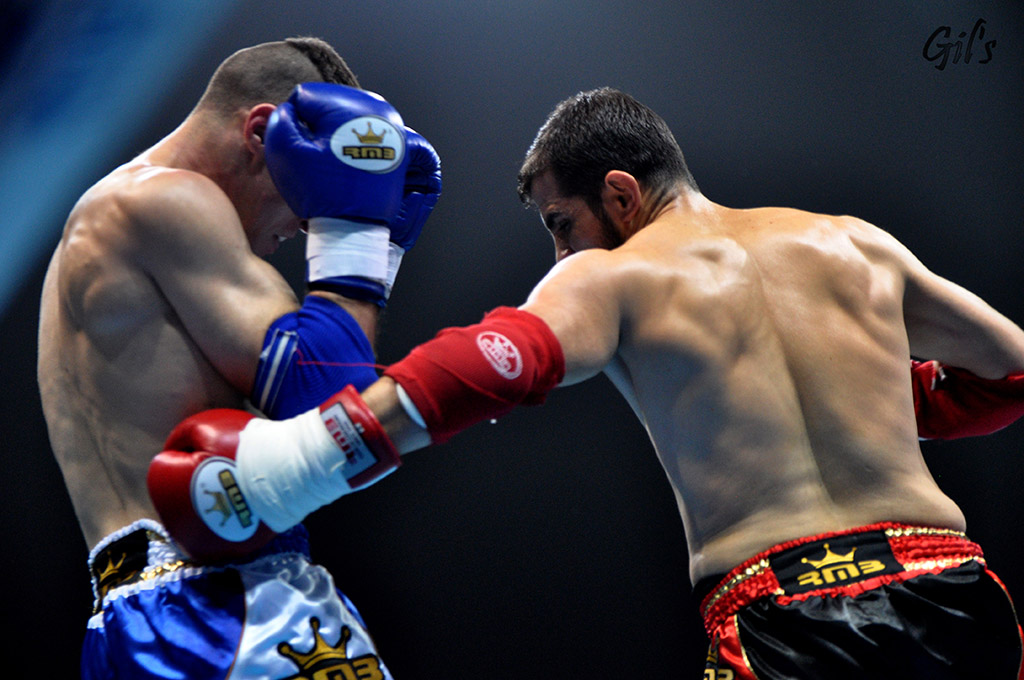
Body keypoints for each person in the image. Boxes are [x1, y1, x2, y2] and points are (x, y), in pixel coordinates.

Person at [151, 88, 1024, 678]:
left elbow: (487, 368)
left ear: (621, 193)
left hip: (787, 617)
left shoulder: (617, 277)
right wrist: (882, 398)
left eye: (560, 225)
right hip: (950, 582)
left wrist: (286, 466)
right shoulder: (854, 243)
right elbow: (1011, 367)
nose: (558, 255)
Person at [37, 36, 440, 678]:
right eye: (310, 189)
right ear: (262, 132)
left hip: (133, 624)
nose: (304, 226)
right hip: (229, 611)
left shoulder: (107, 220)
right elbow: (329, 404)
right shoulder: (167, 201)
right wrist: (362, 235)